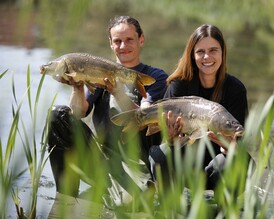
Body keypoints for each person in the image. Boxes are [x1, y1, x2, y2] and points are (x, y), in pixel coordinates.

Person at [47, 16, 168, 199]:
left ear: (141, 40)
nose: (123, 46)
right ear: (110, 43)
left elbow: (144, 117)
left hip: (135, 163)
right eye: (117, 41)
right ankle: (65, 199)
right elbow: (79, 113)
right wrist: (77, 87)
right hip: (101, 156)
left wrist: (118, 92)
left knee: (132, 206)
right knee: (58, 115)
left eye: (129, 40)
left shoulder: (155, 76)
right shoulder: (98, 69)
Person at [149, 24, 249, 190]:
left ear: (223, 52)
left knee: (232, 161)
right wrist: (172, 138)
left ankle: (224, 212)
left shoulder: (236, 89)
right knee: (160, 155)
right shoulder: (179, 85)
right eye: (200, 51)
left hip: (216, 167)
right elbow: (164, 141)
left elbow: (239, 140)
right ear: (192, 55)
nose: (206, 57)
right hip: (183, 165)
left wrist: (229, 148)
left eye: (213, 50)